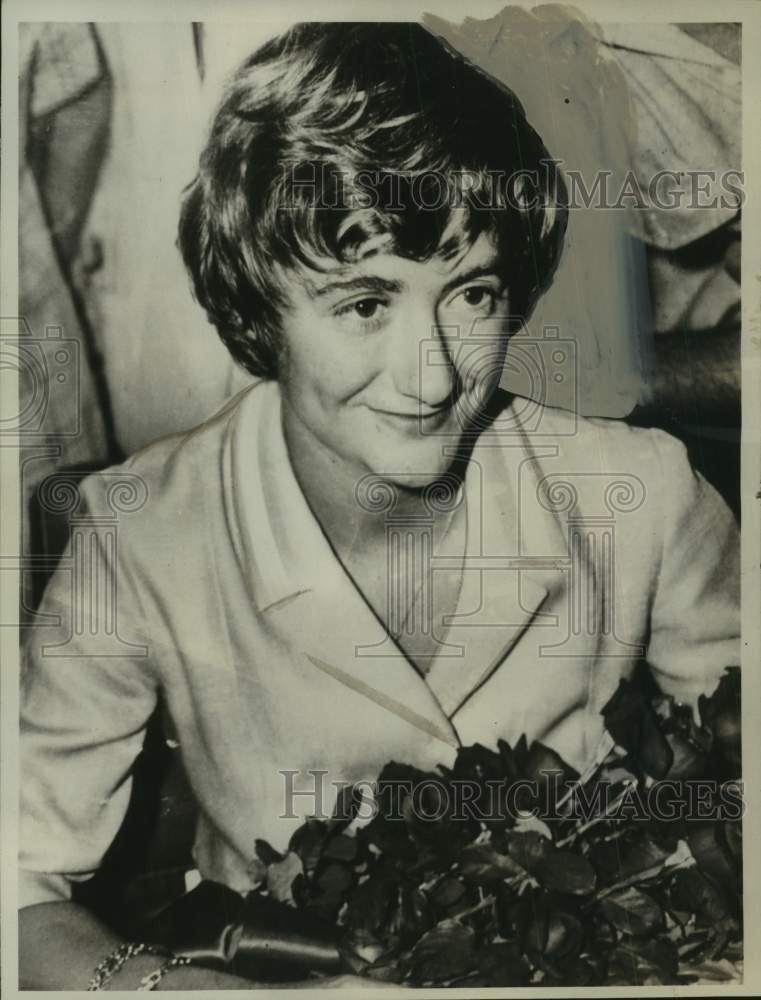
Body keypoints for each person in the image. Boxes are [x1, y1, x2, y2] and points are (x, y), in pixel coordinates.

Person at [19, 22, 740, 990]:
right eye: (364, 304)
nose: (430, 375)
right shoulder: (140, 529)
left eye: (471, 294)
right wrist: (174, 988)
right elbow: (15, 875)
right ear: (259, 306)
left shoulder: (642, 495)